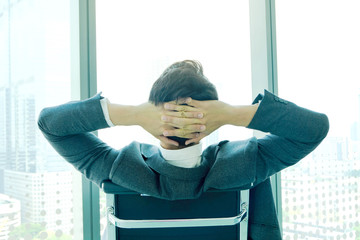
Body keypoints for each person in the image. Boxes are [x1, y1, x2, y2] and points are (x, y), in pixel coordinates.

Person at [38, 60, 329, 239]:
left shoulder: (119, 169)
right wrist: (230, 113)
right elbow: (313, 129)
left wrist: (134, 115)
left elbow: (50, 124)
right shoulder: (246, 163)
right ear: (208, 121)